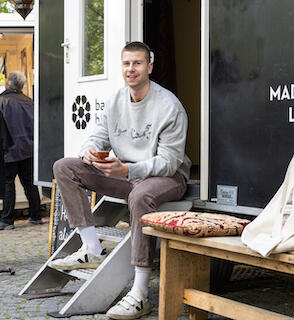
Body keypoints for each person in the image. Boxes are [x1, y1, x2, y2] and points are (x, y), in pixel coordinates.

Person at [51, 41, 191, 320]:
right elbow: (96, 136)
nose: (131, 69)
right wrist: (88, 152)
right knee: (65, 167)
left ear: (149, 67)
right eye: (127, 63)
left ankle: (139, 293)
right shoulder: (115, 101)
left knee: (139, 196)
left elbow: (169, 163)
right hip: (126, 175)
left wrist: (128, 170)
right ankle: (91, 248)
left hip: (167, 177)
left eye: (138, 63)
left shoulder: (169, 106)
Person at [0, 71, 42, 230]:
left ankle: (7, 220)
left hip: (9, 150)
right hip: (29, 150)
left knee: (8, 184)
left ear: (9, 84)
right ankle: (36, 216)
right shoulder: (29, 102)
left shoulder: (2, 101)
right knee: (30, 183)